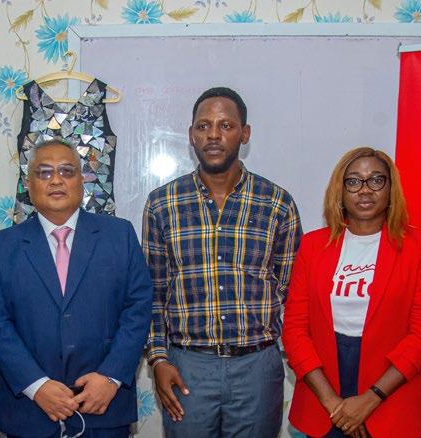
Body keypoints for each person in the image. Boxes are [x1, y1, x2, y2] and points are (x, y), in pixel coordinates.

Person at [143, 87, 302, 437]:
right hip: (187, 366)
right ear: (191, 135)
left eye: (226, 125)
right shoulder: (162, 204)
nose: (213, 135)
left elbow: (293, 293)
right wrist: (158, 359)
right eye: (204, 126)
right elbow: (154, 293)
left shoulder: (277, 203)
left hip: (257, 367)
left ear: (244, 134)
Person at [0, 139, 153, 437]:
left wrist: (110, 377)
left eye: (67, 171)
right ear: (28, 184)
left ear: (82, 180)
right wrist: (36, 386)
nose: (56, 180)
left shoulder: (119, 235)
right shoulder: (3, 246)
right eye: (44, 172)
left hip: (103, 408)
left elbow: (138, 308)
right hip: (29, 412)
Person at [283, 147, 421, 438]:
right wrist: (334, 404)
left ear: (391, 188)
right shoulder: (313, 246)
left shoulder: (417, 246)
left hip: (391, 391)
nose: (365, 190)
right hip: (322, 391)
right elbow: (294, 329)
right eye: (353, 181)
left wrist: (371, 398)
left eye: (376, 180)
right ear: (340, 191)